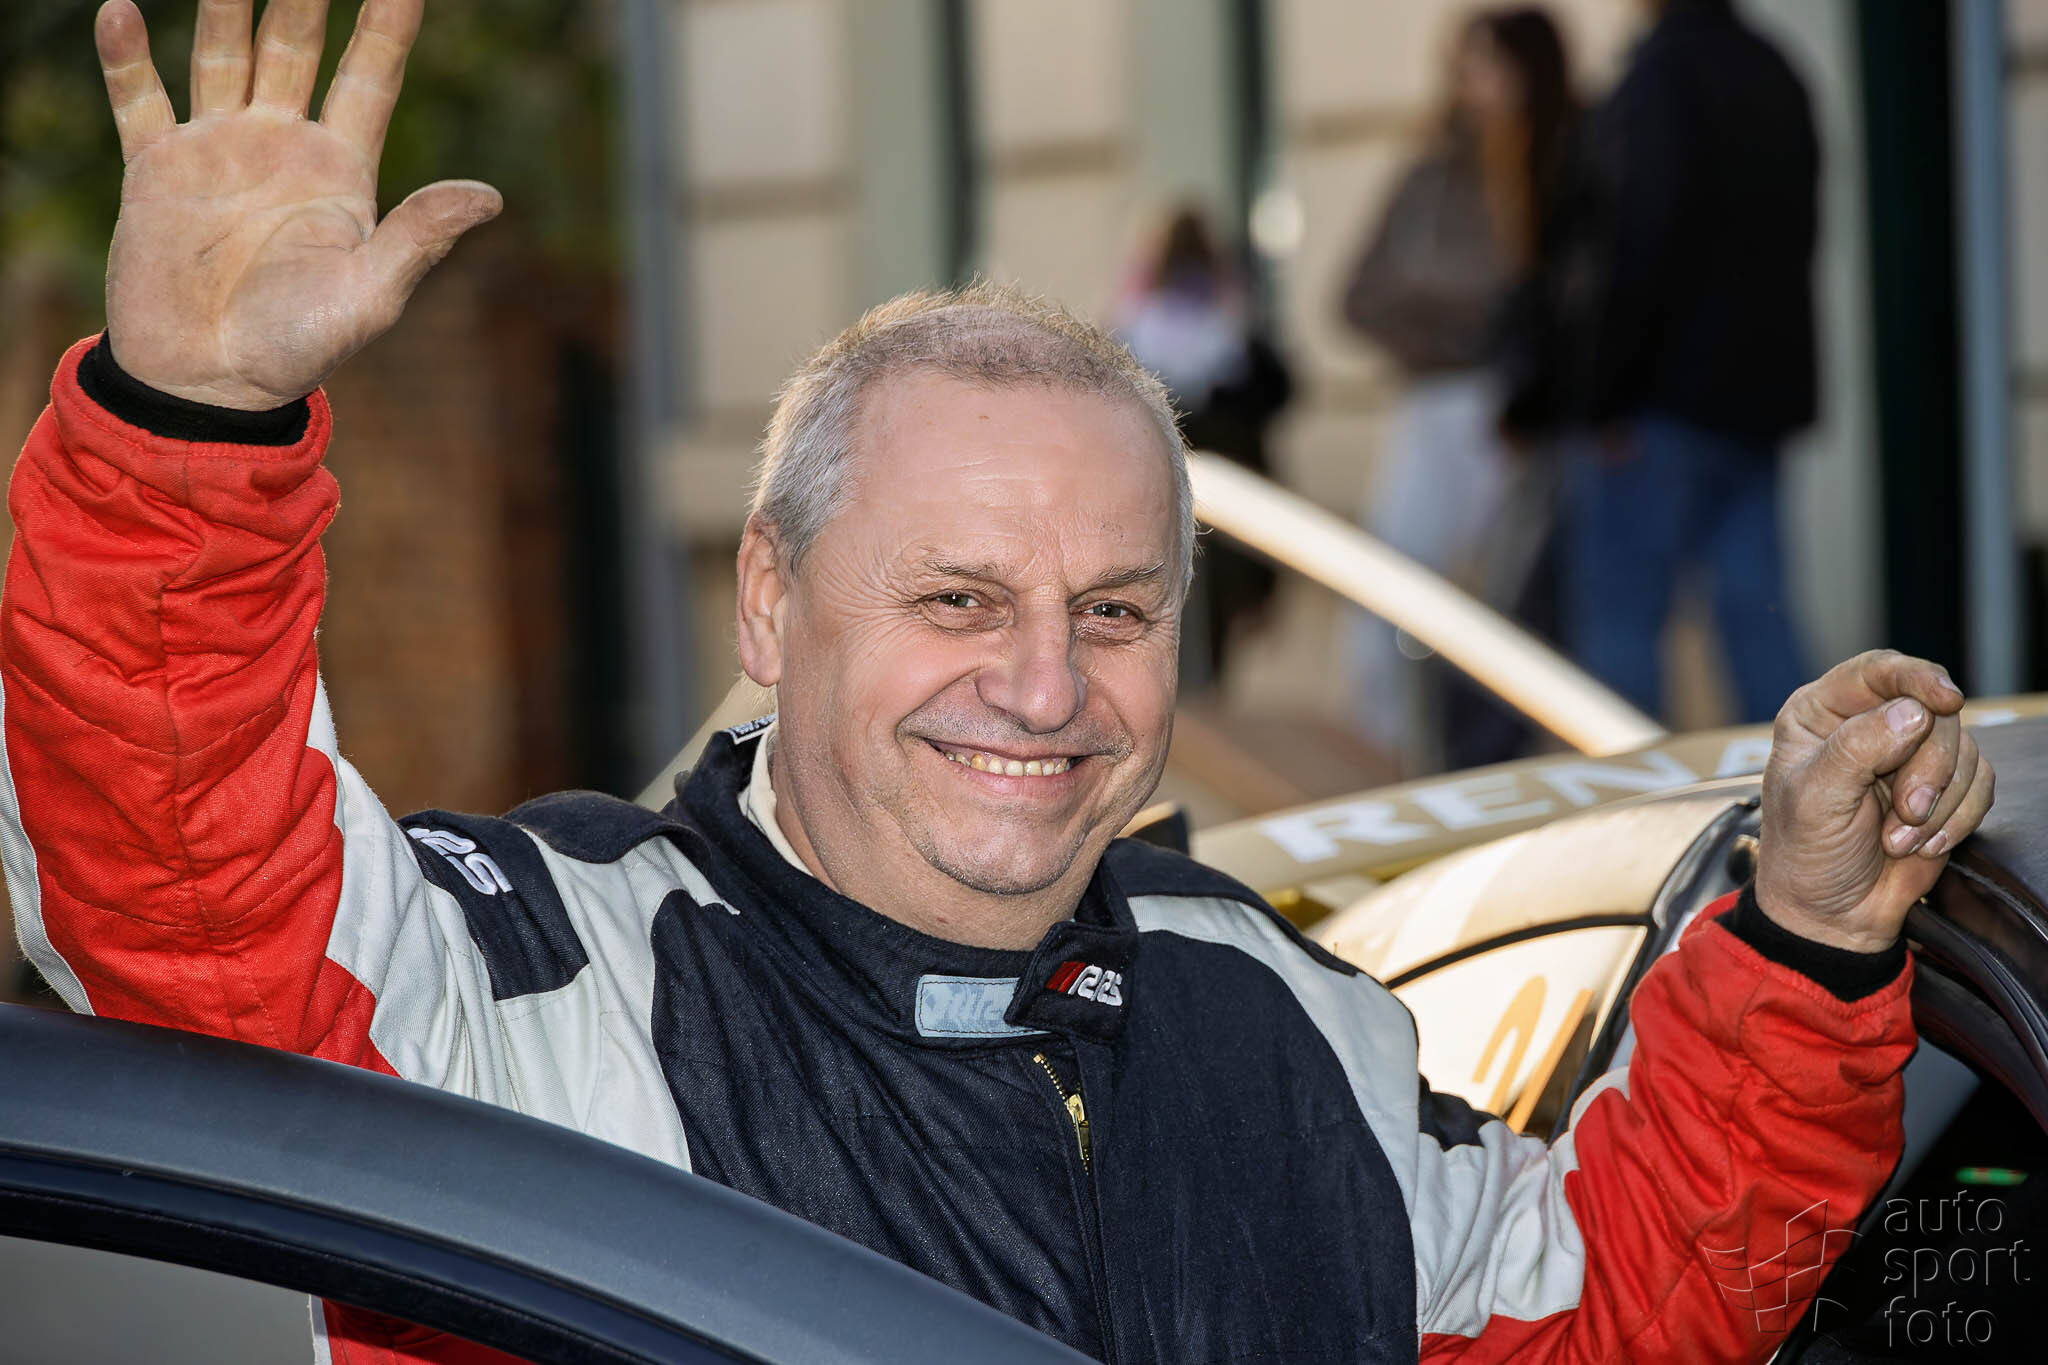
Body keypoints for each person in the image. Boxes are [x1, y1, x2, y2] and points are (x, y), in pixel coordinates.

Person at [1, 3, 1995, 1363]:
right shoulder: (524, 979)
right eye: (957, 598)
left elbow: (1609, 1305)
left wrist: (1809, 938)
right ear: (769, 598)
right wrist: (190, 426)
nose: (1045, 687)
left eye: (1115, 609)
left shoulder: (1281, 1006)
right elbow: (175, 870)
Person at [1554, 0, 1818, 723]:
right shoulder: (1774, 70)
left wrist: (1603, 395)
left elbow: (1638, 246)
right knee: (1758, 615)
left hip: (1659, 403)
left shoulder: (1661, 78)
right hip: (1754, 402)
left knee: (1621, 620)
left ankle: (1629, 783)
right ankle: (1824, 774)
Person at [1340, 6, 1580, 771]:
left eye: (1489, 65)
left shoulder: (1563, 164)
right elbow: (1359, 296)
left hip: (1525, 417)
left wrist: (1478, 319)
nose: (1473, 83)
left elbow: (1551, 302)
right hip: (1434, 402)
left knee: (1507, 605)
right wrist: (1461, 323)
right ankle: (1389, 755)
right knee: (1390, 584)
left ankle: (1495, 765)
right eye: (1465, 65)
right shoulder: (1430, 174)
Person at [1111, 204, 1291, 692]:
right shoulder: (1230, 327)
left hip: (1169, 501)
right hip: (1217, 502)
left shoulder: (1134, 327)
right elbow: (1277, 392)